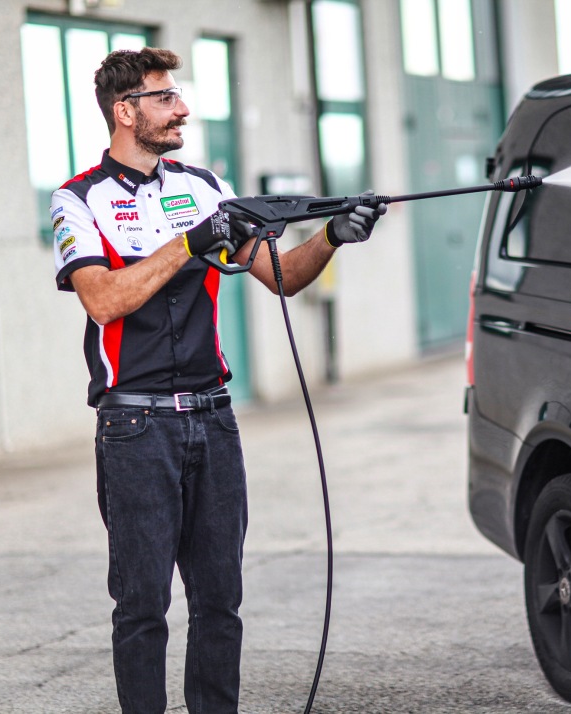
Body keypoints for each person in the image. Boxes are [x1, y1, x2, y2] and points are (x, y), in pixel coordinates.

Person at [50, 47, 386, 714]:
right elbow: (104, 300)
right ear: (126, 112)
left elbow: (283, 277)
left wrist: (332, 236)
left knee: (220, 602)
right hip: (135, 425)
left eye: (178, 95)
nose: (182, 109)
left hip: (214, 418)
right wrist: (191, 243)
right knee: (142, 605)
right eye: (165, 97)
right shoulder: (78, 198)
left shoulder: (205, 185)